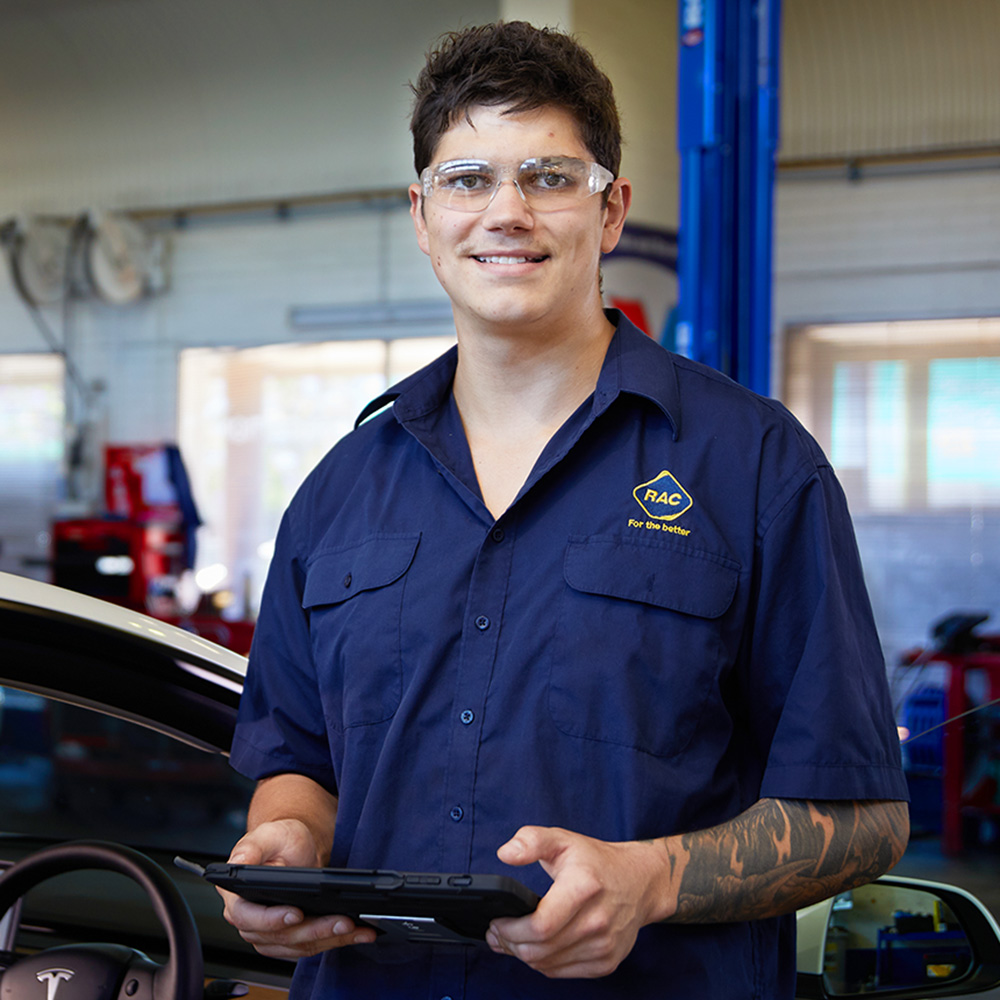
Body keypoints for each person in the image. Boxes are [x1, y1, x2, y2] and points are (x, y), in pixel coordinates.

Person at [221, 20, 909, 999]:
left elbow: (860, 817)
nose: (506, 212)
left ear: (611, 208)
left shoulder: (753, 465)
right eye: (467, 181)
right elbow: (298, 762)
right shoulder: (340, 488)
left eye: (547, 176)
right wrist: (283, 843)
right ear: (422, 216)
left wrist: (653, 878)